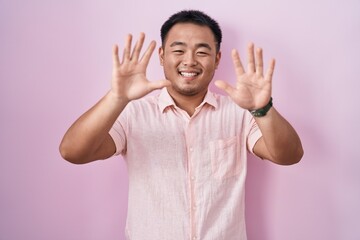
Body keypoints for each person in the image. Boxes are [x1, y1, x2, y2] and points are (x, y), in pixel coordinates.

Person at [60, 9, 303, 240]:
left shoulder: (239, 113)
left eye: (202, 52)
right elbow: (73, 152)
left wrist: (263, 109)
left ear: (217, 59)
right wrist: (117, 97)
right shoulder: (134, 113)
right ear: (162, 56)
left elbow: (289, 155)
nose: (189, 60)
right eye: (178, 50)